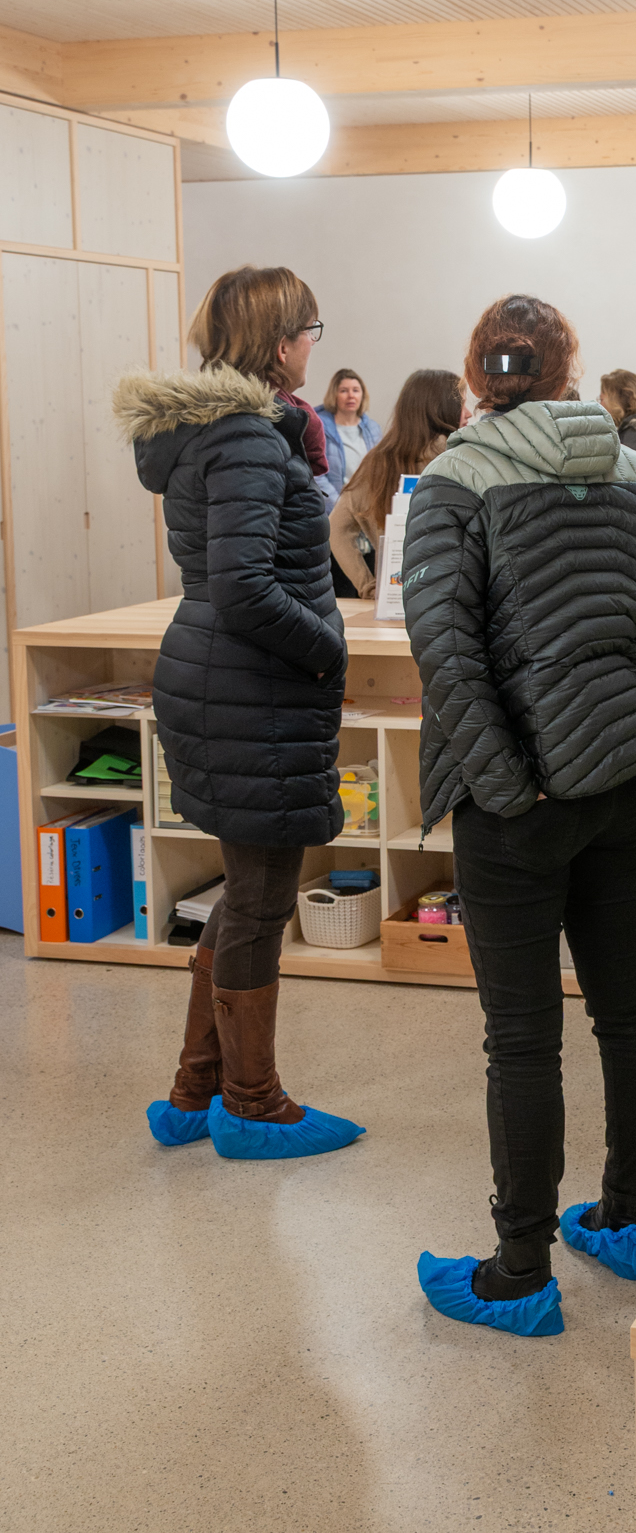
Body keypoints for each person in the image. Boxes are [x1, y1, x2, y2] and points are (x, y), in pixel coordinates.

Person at [402, 294, 636, 1338]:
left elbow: (444, 649)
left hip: (522, 800)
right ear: (567, 368)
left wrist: (503, 784)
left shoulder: (455, 480)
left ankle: (520, 1272)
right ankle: (627, 1220)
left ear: (477, 374)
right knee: (626, 1004)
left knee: (522, 1036)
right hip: (625, 779)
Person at [113, 265, 361, 1161]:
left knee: (245, 892)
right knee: (259, 901)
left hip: (223, 679)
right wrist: (329, 650)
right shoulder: (251, 439)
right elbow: (247, 587)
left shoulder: (215, 432)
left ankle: (194, 1092)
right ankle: (253, 1105)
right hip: (251, 686)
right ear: (280, 342)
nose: (313, 347)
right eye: (309, 331)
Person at [330, 368, 467, 597]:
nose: (469, 413)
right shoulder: (456, 460)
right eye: (461, 404)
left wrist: (368, 586)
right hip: (450, 598)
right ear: (441, 408)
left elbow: (336, 528)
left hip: (393, 598)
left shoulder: (376, 463)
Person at [317, 368, 380, 510]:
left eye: (356, 390)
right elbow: (317, 476)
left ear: (362, 395)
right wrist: (341, 507)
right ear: (334, 395)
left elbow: (379, 470)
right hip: (332, 509)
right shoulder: (319, 427)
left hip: (366, 508)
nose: (351, 396)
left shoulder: (373, 429)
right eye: (344, 391)